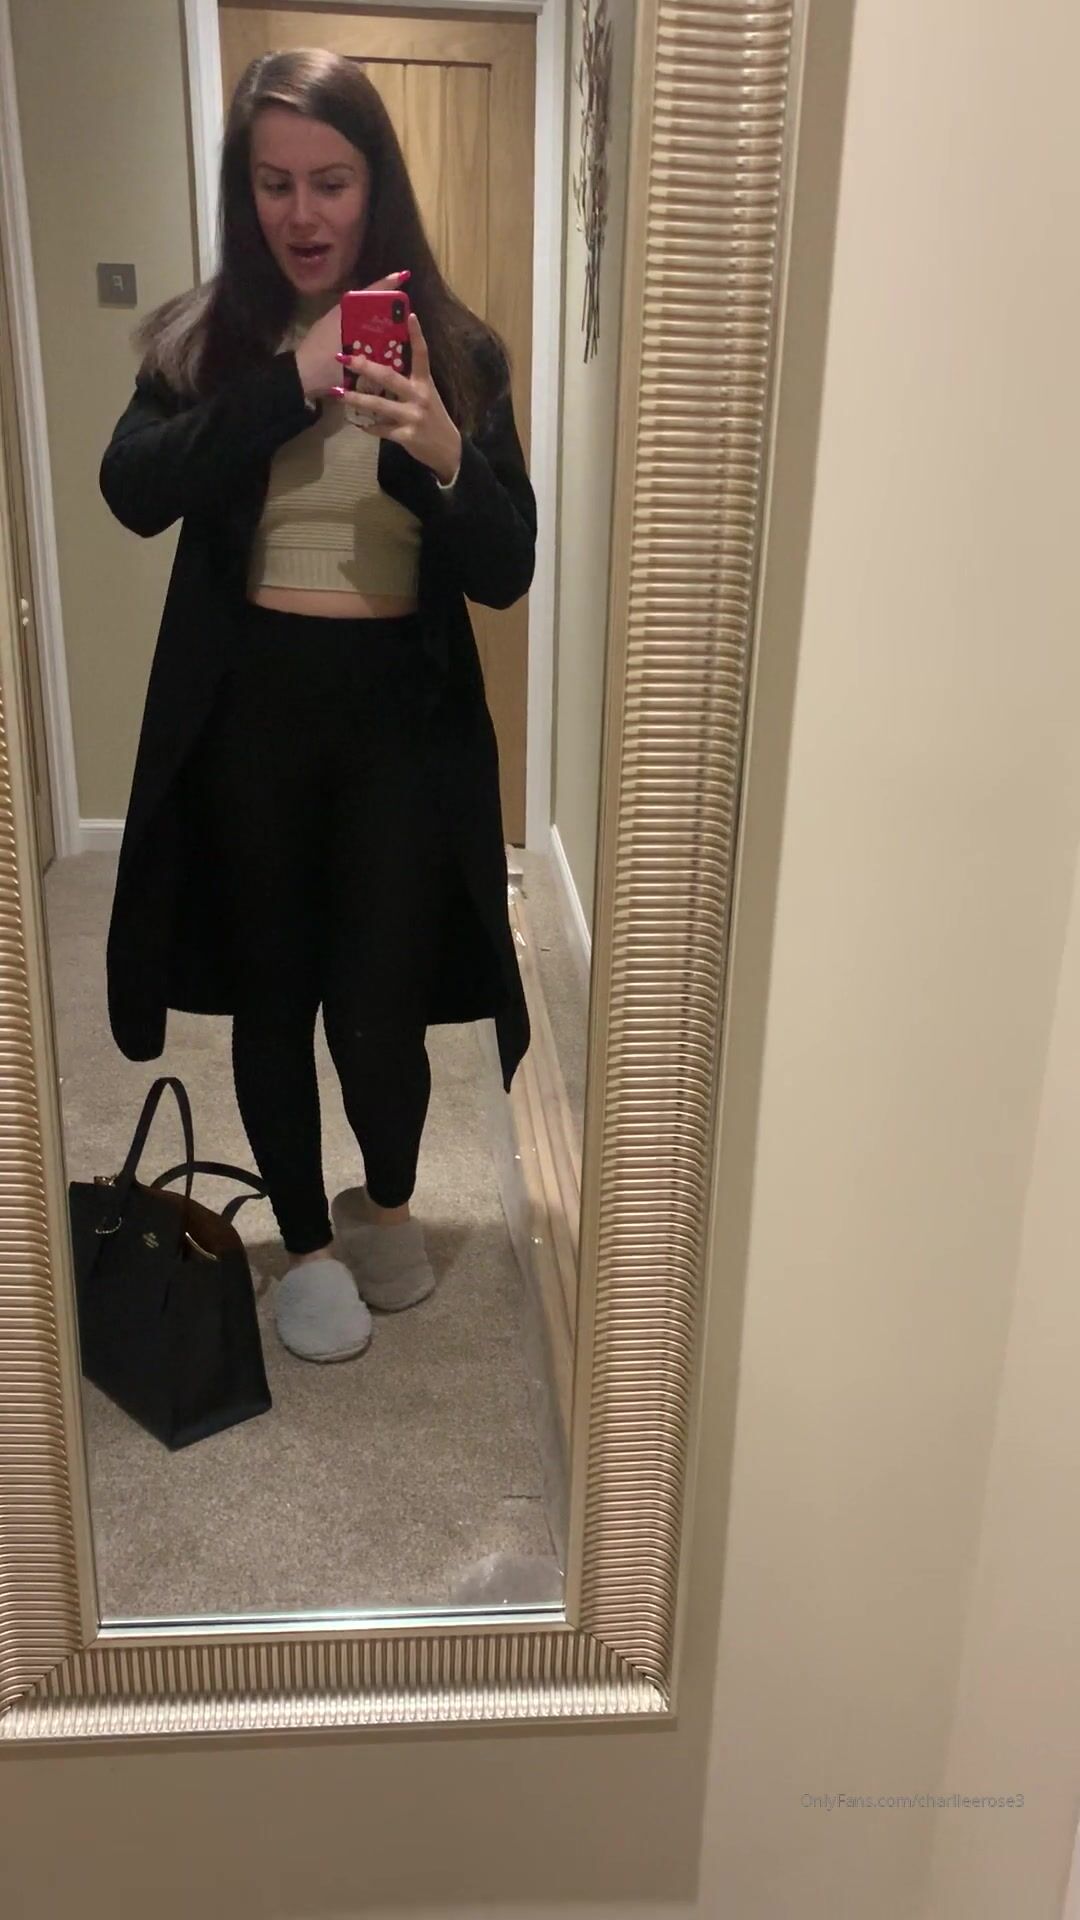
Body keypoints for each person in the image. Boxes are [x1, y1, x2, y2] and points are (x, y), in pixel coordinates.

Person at [99, 48, 536, 1364]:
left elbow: (506, 568)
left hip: (401, 719)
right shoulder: (207, 341)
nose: (302, 211)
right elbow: (133, 488)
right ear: (245, 192)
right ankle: (306, 1242)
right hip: (249, 714)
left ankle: (388, 1207)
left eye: (331, 181)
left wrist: (443, 449)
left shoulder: (459, 349)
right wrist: (290, 384)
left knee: (380, 1002)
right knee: (272, 993)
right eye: (274, 182)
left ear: (374, 184)